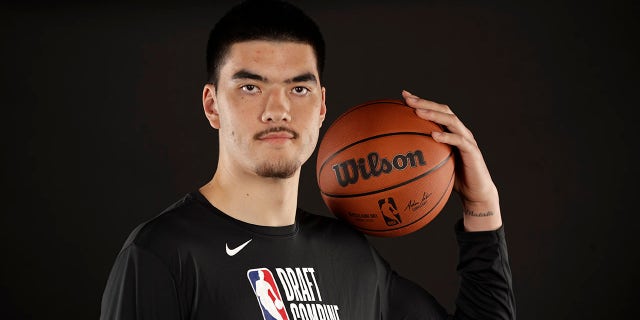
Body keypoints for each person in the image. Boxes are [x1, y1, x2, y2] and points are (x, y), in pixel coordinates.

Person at [100, 0, 516, 319]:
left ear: (321, 108)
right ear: (212, 106)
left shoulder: (350, 256)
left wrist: (482, 209)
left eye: (299, 89)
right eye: (250, 87)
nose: (277, 110)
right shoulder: (161, 254)